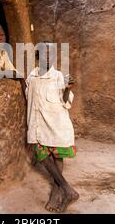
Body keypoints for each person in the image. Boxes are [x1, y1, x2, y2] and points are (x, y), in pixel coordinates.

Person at [24, 42, 79, 212]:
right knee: (41, 153)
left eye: (51, 53)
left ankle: (57, 191)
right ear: (37, 55)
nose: (48, 57)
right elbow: (29, 98)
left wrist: (67, 89)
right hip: (38, 124)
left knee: (57, 156)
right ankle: (66, 188)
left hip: (56, 123)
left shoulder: (59, 77)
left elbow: (66, 101)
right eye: (44, 53)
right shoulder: (31, 77)